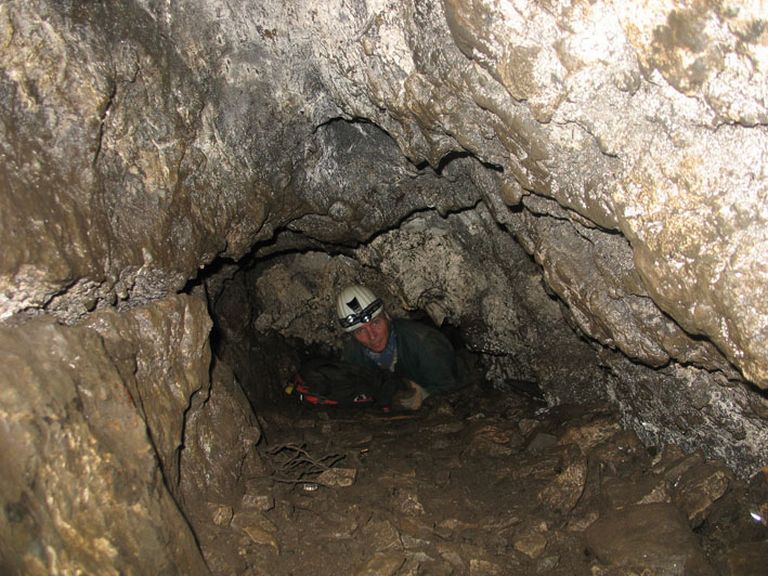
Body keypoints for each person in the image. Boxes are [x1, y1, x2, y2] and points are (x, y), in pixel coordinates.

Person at [336, 284, 460, 410]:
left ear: (387, 316)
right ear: (353, 335)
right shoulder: (353, 353)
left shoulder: (426, 344)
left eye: (375, 323)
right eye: (360, 331)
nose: (372, 336)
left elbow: (452, 391)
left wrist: (424, 396)